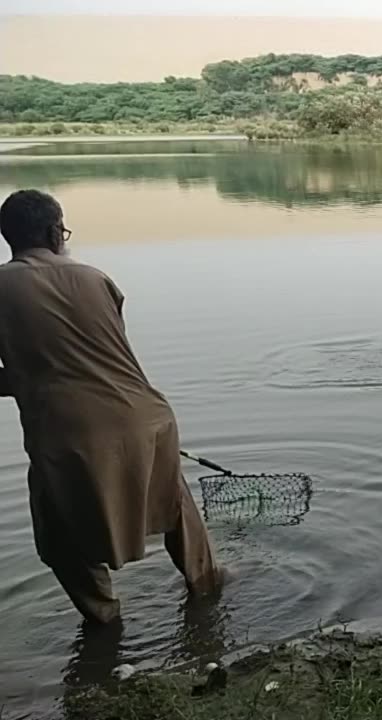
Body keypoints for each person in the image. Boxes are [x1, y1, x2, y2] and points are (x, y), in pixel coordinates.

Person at [0, 189, 221, 626]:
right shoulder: (96, 277)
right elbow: (101, 354)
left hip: (70, 433)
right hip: (148, 416)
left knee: (58, 531)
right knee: (174, 506)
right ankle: (208, 589)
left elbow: (53, 365)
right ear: (53, 232)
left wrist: (28, 378)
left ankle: (103, 621)